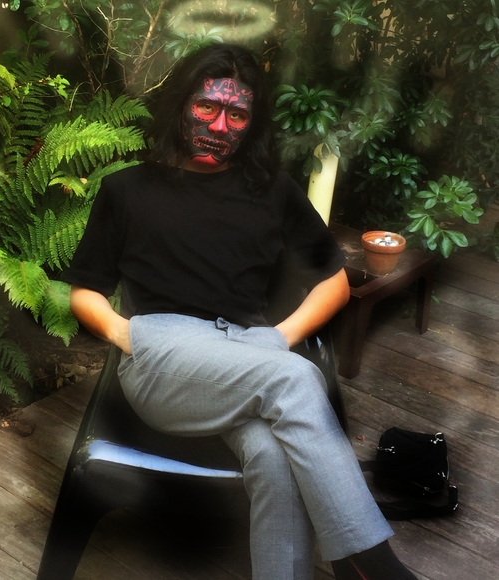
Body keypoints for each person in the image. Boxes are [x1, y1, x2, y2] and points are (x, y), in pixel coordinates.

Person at [65, 43, 418, 580]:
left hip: (248, 354)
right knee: (297, 379)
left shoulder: (272, 192)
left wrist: (278, 338)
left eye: (236, 114)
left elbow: (334, 282)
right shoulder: (127, 190)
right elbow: (84, 291)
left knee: (274, 456)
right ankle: (374, 565)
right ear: (181, 104)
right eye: (207, 106)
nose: (219, 124)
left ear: (252, 123)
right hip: (162, 354)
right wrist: (127, 334)